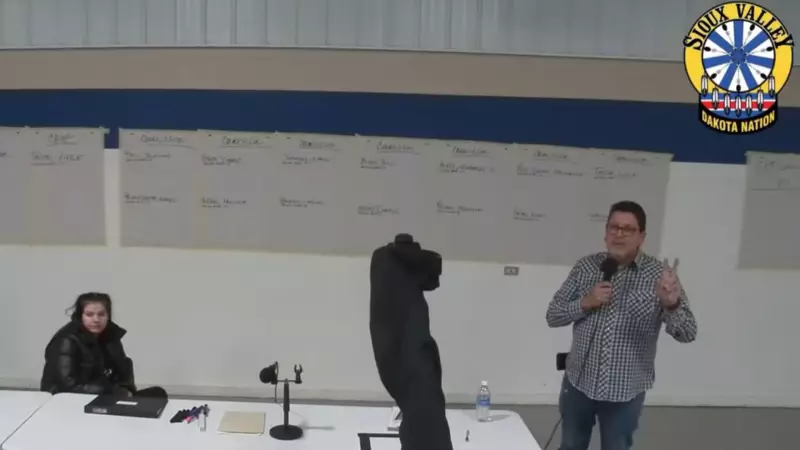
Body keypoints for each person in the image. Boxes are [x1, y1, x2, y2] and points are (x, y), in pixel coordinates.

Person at [546, 201, 697, 450]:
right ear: (605, 232)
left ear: (641, 237)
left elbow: (688, 333)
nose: (619, 234)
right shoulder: (585, 267)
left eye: (628, 229)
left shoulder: (659, 276)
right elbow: (553, 316)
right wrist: (585, 302)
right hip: (578, 383)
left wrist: (671, 304)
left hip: (625, 391)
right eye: (614, 227)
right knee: (571, 445)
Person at [369, 233, 453, 450]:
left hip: (397, 356)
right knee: (426, 418)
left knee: (422, 416)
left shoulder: (382, 261)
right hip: (413, 358)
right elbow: (432, 275)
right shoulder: (399, 263)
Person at [40, 292, 166, 398]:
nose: (96, 319)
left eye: (101, 314)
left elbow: (123, 369)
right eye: (89, 315)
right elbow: (68, 386)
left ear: (108, 315)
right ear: (80, 316)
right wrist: (111, 392)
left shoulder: (111, 335)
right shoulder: (66, 340)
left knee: (157, 394)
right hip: (71, 400)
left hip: (105, 396)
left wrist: (125, 389)